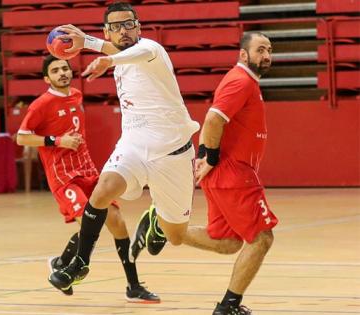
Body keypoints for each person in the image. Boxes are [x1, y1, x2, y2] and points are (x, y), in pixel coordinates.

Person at [48, 1, 200, 294]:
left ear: (139, 26)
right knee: (102, 191)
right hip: (133, 143)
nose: (123, 30)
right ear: (108, 31)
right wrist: (104, 53)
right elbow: (119, 53)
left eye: (128, 24)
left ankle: (157, 223)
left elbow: (134, 53)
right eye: (115, 26)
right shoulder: (117, 57)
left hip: (172, 153)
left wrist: (98, 50)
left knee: (176, 235)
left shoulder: (153, 50)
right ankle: (80, 262)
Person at [132, 32, 279, 315]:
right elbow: (212, 119)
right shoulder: (240, 80)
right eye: (260, 49)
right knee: (262, 238)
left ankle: (163, 225)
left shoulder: (247, 82)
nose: (267, 55)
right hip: (235, 175)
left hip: (228, 175)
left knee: (228, 242)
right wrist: (208, 157)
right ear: (243, 55)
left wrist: (206, 159)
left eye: (269, 50)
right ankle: (228, 307)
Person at [16, 55, 159, 303]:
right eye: (55, 70)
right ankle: (69, 266)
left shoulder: (76, 95)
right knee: (90, 225)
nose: (62, 73)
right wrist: (57, 141)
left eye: (65, 68)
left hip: (88, 171)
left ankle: (132, 286)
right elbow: (22, 137)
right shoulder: (41, 104)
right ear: (46, 78)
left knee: (117, 223)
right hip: (64, 177)